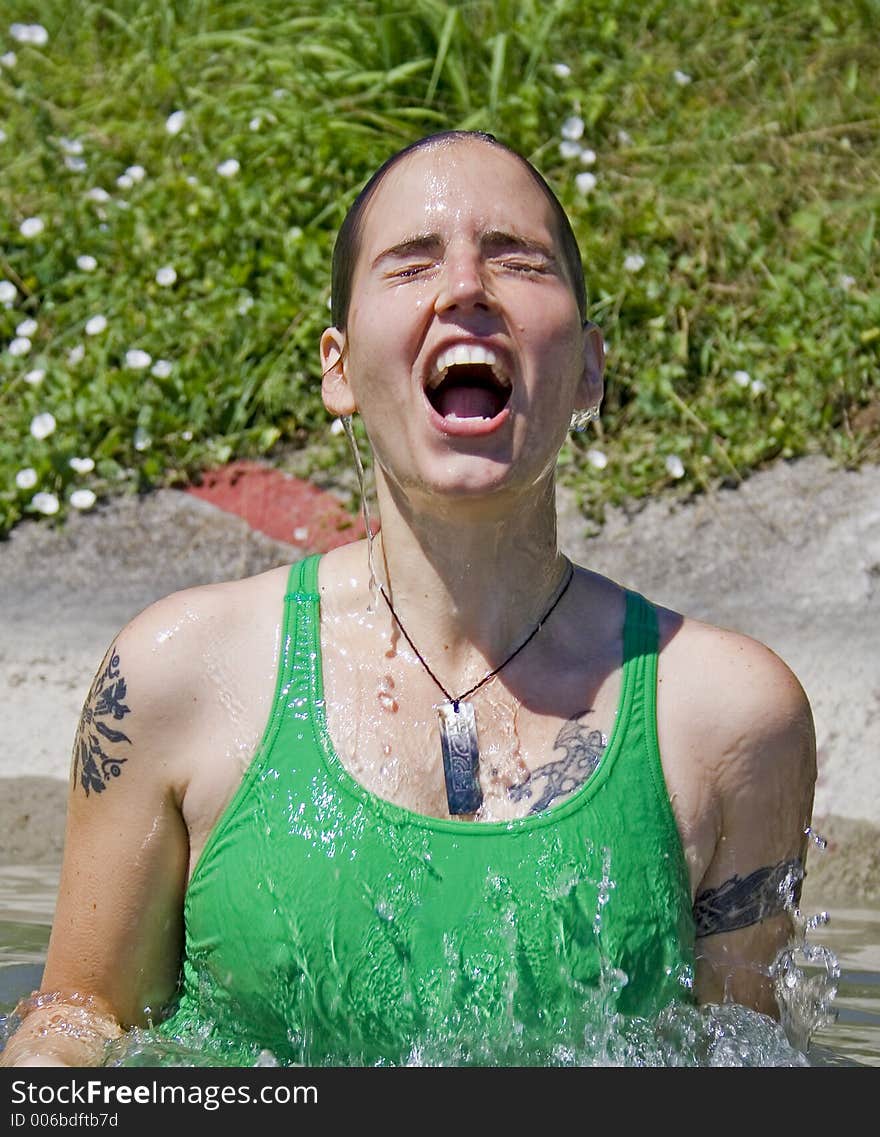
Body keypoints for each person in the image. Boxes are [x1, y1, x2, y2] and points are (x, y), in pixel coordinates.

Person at [1, 130, 817, 1068]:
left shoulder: (727, 717)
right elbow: (78, 1017)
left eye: (516, 259)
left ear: (591, 366)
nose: (466, 287)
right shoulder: (177, 676)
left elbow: (746, 1066)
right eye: (412, 262)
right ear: (339, 368)